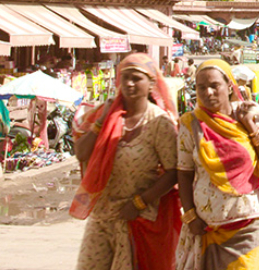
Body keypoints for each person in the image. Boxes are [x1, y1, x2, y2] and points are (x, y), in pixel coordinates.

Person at [71, 53, 181, 270]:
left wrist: (139, 203)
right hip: (102, 216)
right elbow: (81, 153)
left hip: (138, 217)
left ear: (151, 83)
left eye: (136, 78)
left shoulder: (159, 122)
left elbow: (173, 171)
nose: (129, 83)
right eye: (125, 77)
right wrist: (102, 121)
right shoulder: (105, 114)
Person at [175, 59, 259, 270]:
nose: (208, 92)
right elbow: (184, 173)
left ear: (229, 85)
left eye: (215, 85)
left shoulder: (247, 112)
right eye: (201, 87)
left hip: (253, 222)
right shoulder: (190, 124)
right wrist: (190, 216)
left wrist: (250, 125)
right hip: (209, 228)